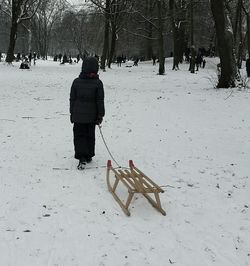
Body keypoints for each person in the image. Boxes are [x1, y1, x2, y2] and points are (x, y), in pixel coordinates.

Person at [70, 57, 105, 170]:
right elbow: (100, 100)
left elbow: (72, 99)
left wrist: (72, 113)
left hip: (78, 115)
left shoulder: (76, 81)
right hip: (91, 116)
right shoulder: (98, 83)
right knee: (90, 135)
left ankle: (82, 155)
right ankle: (88, 155)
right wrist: (100, 115)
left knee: (79, 135)